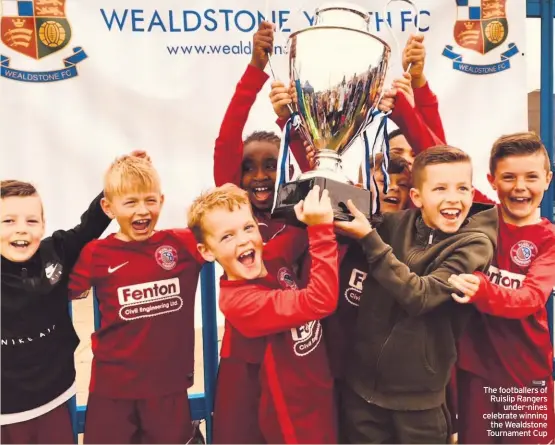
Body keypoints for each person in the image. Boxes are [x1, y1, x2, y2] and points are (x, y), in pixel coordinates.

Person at [336, 146, 498, 444]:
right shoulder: (394, 225)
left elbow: (420, 296)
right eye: (440, 188)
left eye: (462, 188)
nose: (453, 198)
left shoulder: (475, 245)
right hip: (361, 393)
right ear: (417, 197)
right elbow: (335, 213)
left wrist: (370, 241)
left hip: (420, 406)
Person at [0, 152, 147, 443]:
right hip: (6, 407)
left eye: (31, 221)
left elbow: (89, 227)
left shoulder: (54, 252)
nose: (21, 229)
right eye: (8, 220)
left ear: (43, 226)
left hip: (55, 394)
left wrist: (118, 185)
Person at [188, 183, 340, 443]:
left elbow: (304, 220)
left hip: (317, 397)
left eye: (248, 228)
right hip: (287, 420)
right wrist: (321, 230)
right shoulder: (239, 301)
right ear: (206, 251)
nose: (244, 239)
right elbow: (321, 300)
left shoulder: (272, 255)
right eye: (227, 236)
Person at [68, 155, 204, 444]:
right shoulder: (96, 253)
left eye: (150, 200)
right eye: (130, 202)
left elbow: (227, 227)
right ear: (109, 207)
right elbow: (55, 292)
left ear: (162, 201)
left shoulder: (183, 244)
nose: (142, 210)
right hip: (112, 389)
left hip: (168, 387)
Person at [449, 132, 555, 444]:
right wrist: (411, 96)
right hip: (475, 374)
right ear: (492, 180)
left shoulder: (549, 240)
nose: (520, 187)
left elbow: (531, 298)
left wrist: (482, 290)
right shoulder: (480, 213)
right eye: (509, 177)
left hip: (527, 379)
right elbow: (439, 152)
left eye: (531, 177)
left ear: (547, 180)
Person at [213, 21, 307, 242]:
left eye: (271, 166)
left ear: (289, 171)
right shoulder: (234, 211)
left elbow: (317, 172)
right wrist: (255, 68)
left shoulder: (302, 214)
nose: (259, 176)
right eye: (248, 168)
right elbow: (227, 139)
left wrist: (289, 122)